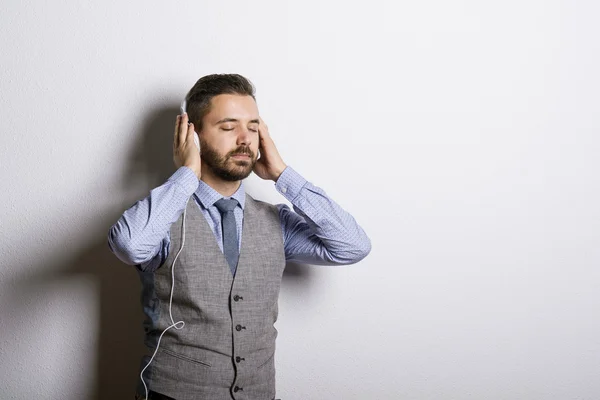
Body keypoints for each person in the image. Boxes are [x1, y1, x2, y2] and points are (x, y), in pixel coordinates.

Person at [108, 74, 371, 400]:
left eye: (254, 126)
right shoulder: (163, 217)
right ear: (194, 135)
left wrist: (282, 174)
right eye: (229, 127)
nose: (245, 138)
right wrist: (186, 173)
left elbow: (353, 246)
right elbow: (129, 245)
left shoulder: (276, 222)